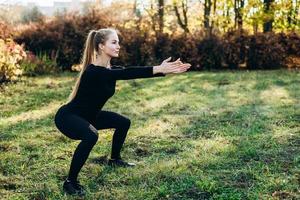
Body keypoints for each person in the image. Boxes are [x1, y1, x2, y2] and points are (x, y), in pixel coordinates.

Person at [54, 27, 191, 196]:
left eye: (118, 42)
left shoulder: (109, 70)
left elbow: (128, 72)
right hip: (68, 117)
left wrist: (162, 71)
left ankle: (114, 159)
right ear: (101, 46)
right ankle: (70, 182)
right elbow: (127, 73)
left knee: (123, 122)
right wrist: (159, 68)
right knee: (91, 135)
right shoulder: (94, 72)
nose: (118, 46)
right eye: (114, 42)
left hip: (89, 116)